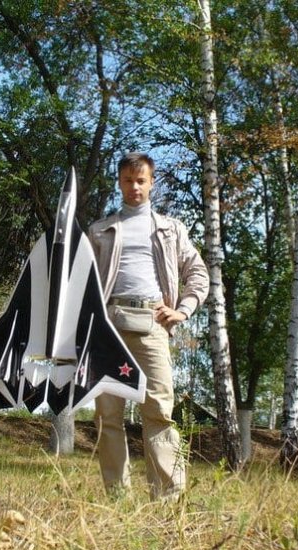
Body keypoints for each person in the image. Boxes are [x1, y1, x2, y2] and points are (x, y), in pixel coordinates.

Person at [88, 152, 209, 500]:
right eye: (128, 180)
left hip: (153, 326)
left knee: (158, 410)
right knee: (107, 414)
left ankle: (168, 500)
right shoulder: (99, 230)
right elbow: (82, 283)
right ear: (119, 182)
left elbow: (197, 273)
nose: (135, 187)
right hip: (107, 329)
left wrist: (183, 310)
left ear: (152, 183)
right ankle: (118, 499)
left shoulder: (171, 229)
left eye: (141, 180)